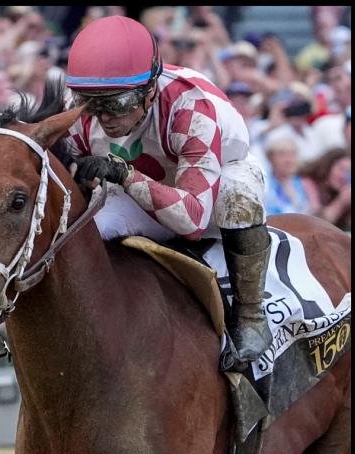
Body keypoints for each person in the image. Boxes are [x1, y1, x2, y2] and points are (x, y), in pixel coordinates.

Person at [63, 16, 271, 366]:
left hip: (215, 183)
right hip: (139, 184)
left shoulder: (190, 108)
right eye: (91, 102)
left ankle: (251, 315)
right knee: (84, 234)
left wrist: (124, 175)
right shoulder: (79, 111)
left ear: (149, 91)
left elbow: (191, 221)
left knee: (237, 199)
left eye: (117, 103)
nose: (103, 117)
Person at [262, 136, 321, 217]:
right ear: (270, 158)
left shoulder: (305, 183)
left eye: (293, 154)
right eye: (282, 155)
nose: (289, 160)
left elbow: (316, 212)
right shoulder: (264, 184)